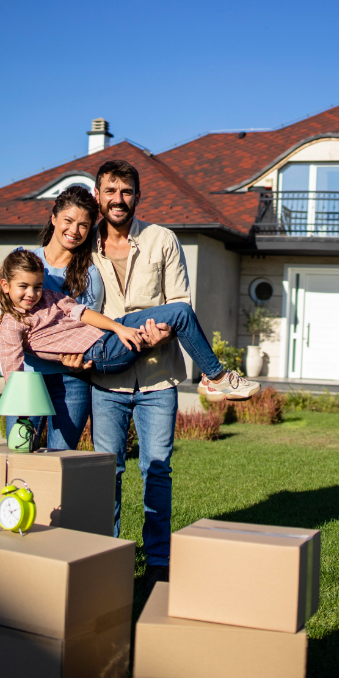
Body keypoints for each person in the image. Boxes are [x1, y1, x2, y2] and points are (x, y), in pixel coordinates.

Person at [88, 159, 252, 588]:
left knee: (156, 469)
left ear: (137, 197)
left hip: (158, 378)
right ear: (97, 196)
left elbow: (179, 301)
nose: (118, 199)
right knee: (109, 471)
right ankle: (108, 551)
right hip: (107, 382)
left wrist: (155, 332)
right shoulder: (86, 248)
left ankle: (158, 559)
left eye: (126, 192)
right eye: (110, 191)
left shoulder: (162, 239)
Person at [0, 248, 258, 392]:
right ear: (6, 286)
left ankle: (214, 379)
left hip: (107, 336)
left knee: (180, 311)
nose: (32, 293)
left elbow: (82, 312)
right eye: (23, 287)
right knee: (176, 318)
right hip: (102, 353)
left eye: (36, 286)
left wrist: (120, 327)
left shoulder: (49, 297)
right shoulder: (12, 325)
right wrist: (20, 416)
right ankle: (218, 377)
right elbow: (12, 373)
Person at [2, 186, 105, 450]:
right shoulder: (26, 260)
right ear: (54, 218)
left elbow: (88, 324)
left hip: (71, 381)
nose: (75, 230)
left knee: (60, 463)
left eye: (84, 225)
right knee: (19, 454)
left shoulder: (89, 275)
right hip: (28, 378)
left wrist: (81, 359)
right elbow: (8, 316)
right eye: (68, 221)